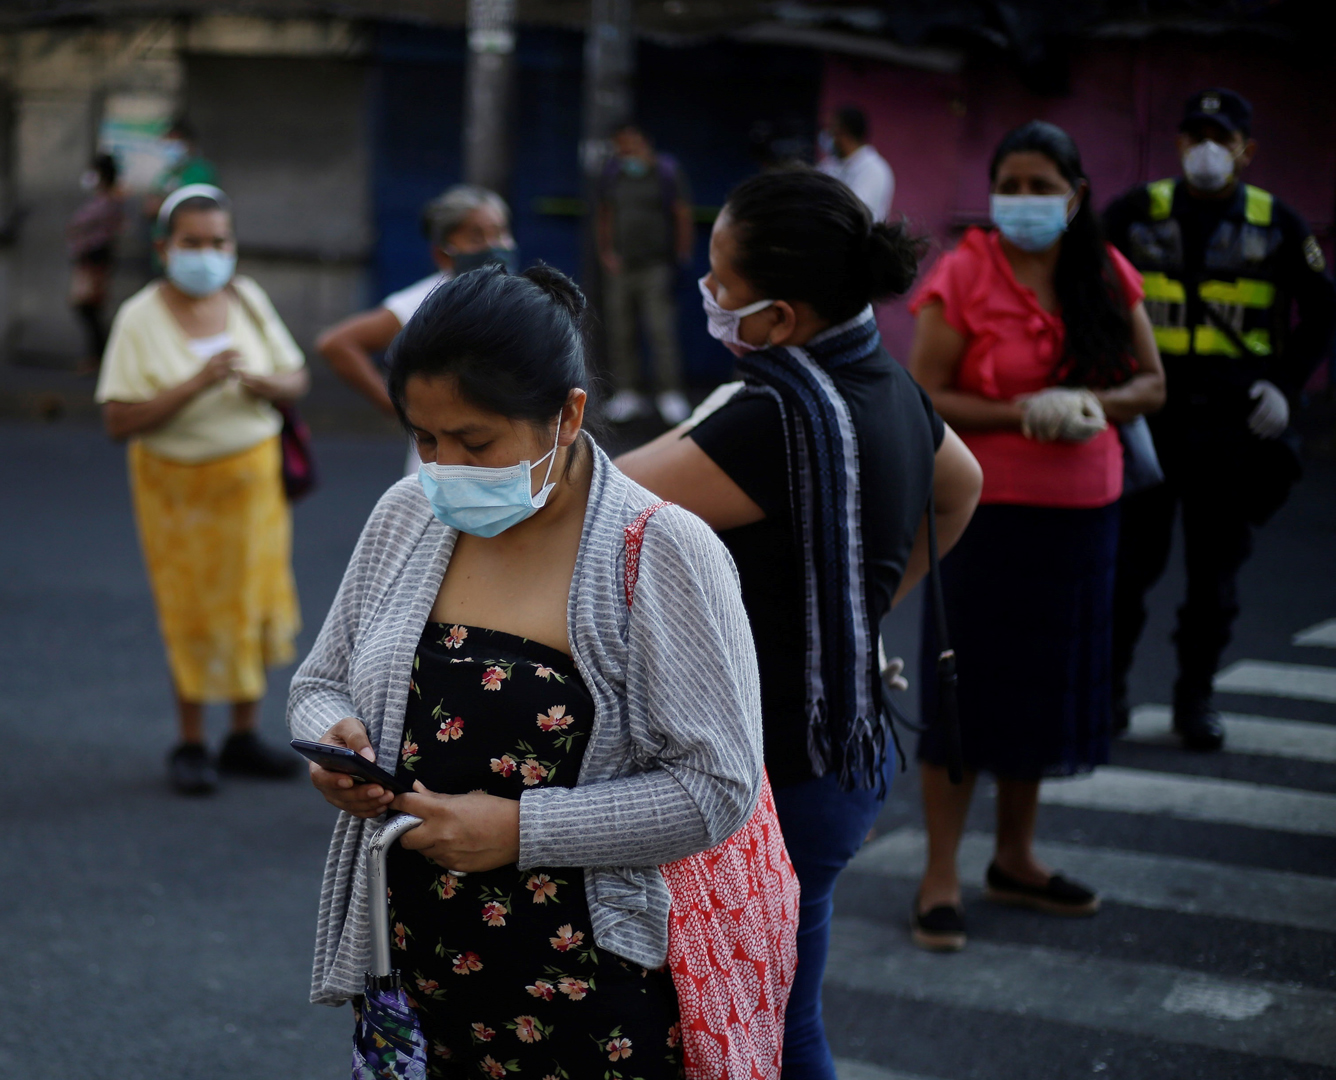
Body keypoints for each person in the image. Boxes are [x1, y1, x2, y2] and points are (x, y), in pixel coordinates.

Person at [292, 263, 764, 1076]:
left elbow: (716, 785)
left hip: (587, 990)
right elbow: (317, 682)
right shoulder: (406, 515)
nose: (446, 468)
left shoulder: (661, 552)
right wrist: (333, 742)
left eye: (476, 442)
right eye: (425, 440)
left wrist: (518, 831)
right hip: (413, 968)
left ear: (568, 414)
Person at [616, 170, 982, 1078]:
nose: (707, 296)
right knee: (783, 1011)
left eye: (721, 283)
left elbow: (593, 504)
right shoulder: (884, 383)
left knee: (762, 1029)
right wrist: (869, 605)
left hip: (772, 772)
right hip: (838, 758)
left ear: (779, 318)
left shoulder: (777, 416)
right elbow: (963, 483)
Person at [906, 121, 1166, 952]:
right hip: (981, 512)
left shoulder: (1103, 269)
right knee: (965, 691)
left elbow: (1153, 383)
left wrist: (1094, 408)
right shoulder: (963, 272)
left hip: (1084, 515)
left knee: (1044, 694)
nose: (1022, 201)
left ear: (1076, 195)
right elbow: (926, 393)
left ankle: (1015, 856)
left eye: (1039, 186)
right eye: (1009, 186)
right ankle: (940, 871)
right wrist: (1025, 412)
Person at [1104, 88, 1336, 751]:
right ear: (1178, 143)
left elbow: (1321, 311)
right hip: (1149, 420)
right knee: (1128, 569)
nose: (1207, 148)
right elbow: (1087, 292)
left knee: (1215, 577)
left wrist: (1286, 388)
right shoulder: (1135, 212)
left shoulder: (1278, 223)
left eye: (1222, 136)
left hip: (1234, 428)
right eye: (1194, 135)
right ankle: (1112, 696)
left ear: (1246, 149)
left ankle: (1194, 702)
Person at [96, 184, 309, 795]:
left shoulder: (246, 297)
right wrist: (196, 383)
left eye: (218, 242)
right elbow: (117, 419)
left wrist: (262, 381)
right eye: (193, 242)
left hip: (253, 481)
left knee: (253, 602)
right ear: (164, 247)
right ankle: (191, 741)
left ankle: (243, 735)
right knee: (191, 611)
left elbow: (295, 377)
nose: (207, 254)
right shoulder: (139, 316)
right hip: (176, 492)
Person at [314, 184, 515, 472]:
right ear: (443, 253)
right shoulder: (426, 303)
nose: (495, 246)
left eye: (500, 233)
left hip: (506, 469)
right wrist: (399, 407)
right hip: (442, 471)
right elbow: (336, 344)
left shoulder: (523, 299)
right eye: (476, 237)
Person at [597, 124, 695, 425]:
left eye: (629, 148)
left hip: (656, 265)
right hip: (622, 267)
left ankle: (669, 393)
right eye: (619, 149)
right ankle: (628, 393)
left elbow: (682, 212)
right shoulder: (614, 174)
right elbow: (606, 213)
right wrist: (606, 252)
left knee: (660, 329)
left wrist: (681, 252)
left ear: (643, 142)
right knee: (621, 329)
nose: (624, 154)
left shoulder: (666, 172)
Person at [68, 152, 126, 372]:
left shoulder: (110, 201)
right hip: (87, 258)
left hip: (96, 258)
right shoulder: (101, 199)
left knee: (88, 306)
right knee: (86, 306)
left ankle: (99, 356)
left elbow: (84, 225)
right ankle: (97, 355)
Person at [817, 106, 894, 223]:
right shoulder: (828, 164)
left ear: (845, 133)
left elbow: (855, 214)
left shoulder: (873, 169)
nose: (827, 135)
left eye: (832, 129)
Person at [143, 120, 220, 222]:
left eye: (174, 141)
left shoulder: (201, 171)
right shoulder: (169, 172)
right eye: (167, 141)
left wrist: (160, 204)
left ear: (188, 143)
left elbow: (193, 205)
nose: (169, 147)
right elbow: (150, 203)